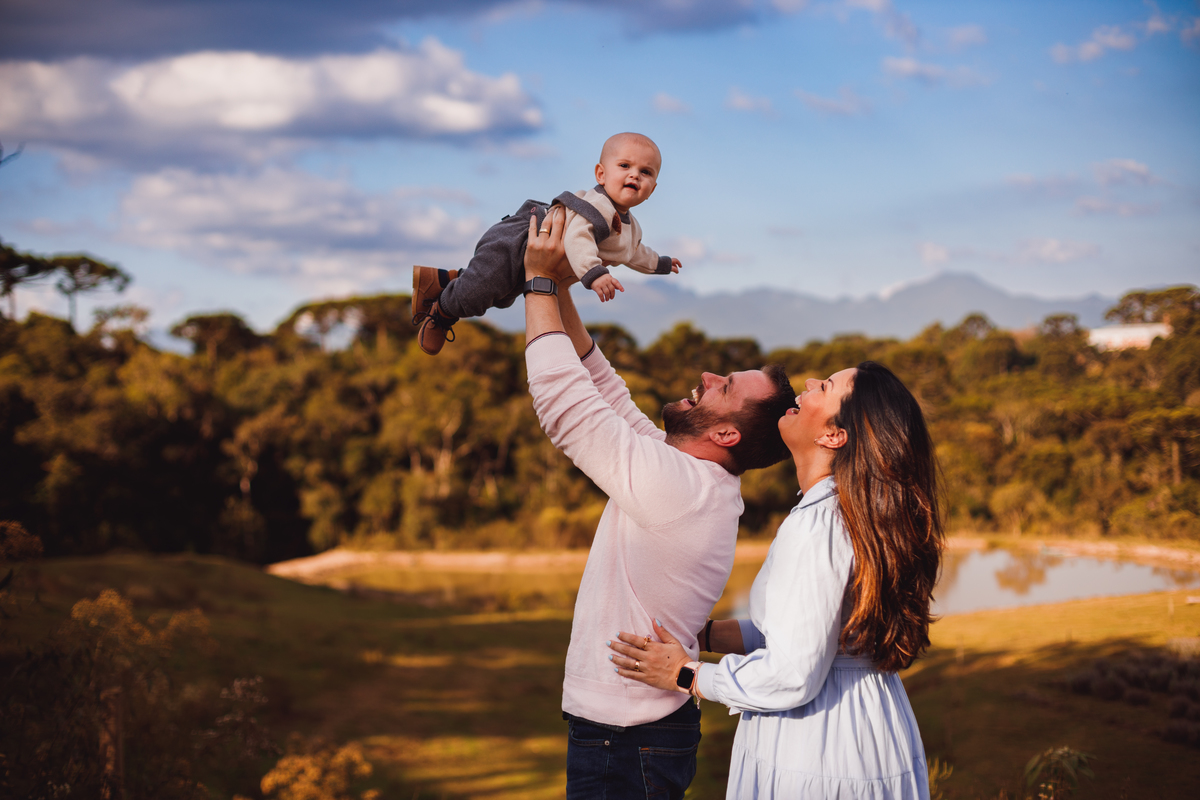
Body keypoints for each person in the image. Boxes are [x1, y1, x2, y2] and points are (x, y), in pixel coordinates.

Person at [521, 207, 796, 799]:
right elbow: (603, 389)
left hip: (626, 737)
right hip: (632, 731)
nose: (706, 374)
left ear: (726, 436)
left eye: (723, 387)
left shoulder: (682, 489)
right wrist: (566, 283)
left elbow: (565, 405)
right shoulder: (691, 478)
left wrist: (538, 283)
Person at [609, 362, 943, 799]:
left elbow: (793, 673)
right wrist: (701, 633)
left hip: (821, 743)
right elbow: (801, 632)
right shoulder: (843, 515)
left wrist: (686, 675)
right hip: (865, 724)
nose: (807, 385)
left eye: (824, 387)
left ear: (833, 435)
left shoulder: (820, 525)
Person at [412, 132, 682, 355]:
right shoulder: (597, 206)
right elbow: (579, 239)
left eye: (645, 172)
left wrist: (660, 263)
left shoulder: (631, 226)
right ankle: (442, 313)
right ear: (601, 174)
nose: (634, 175)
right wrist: (595, 274)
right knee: (478, 292)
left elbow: (633, 252)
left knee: (503, 295)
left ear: (653, 188)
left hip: (541, 255)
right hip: (520, 240)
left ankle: (439, 281)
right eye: (625, 166)